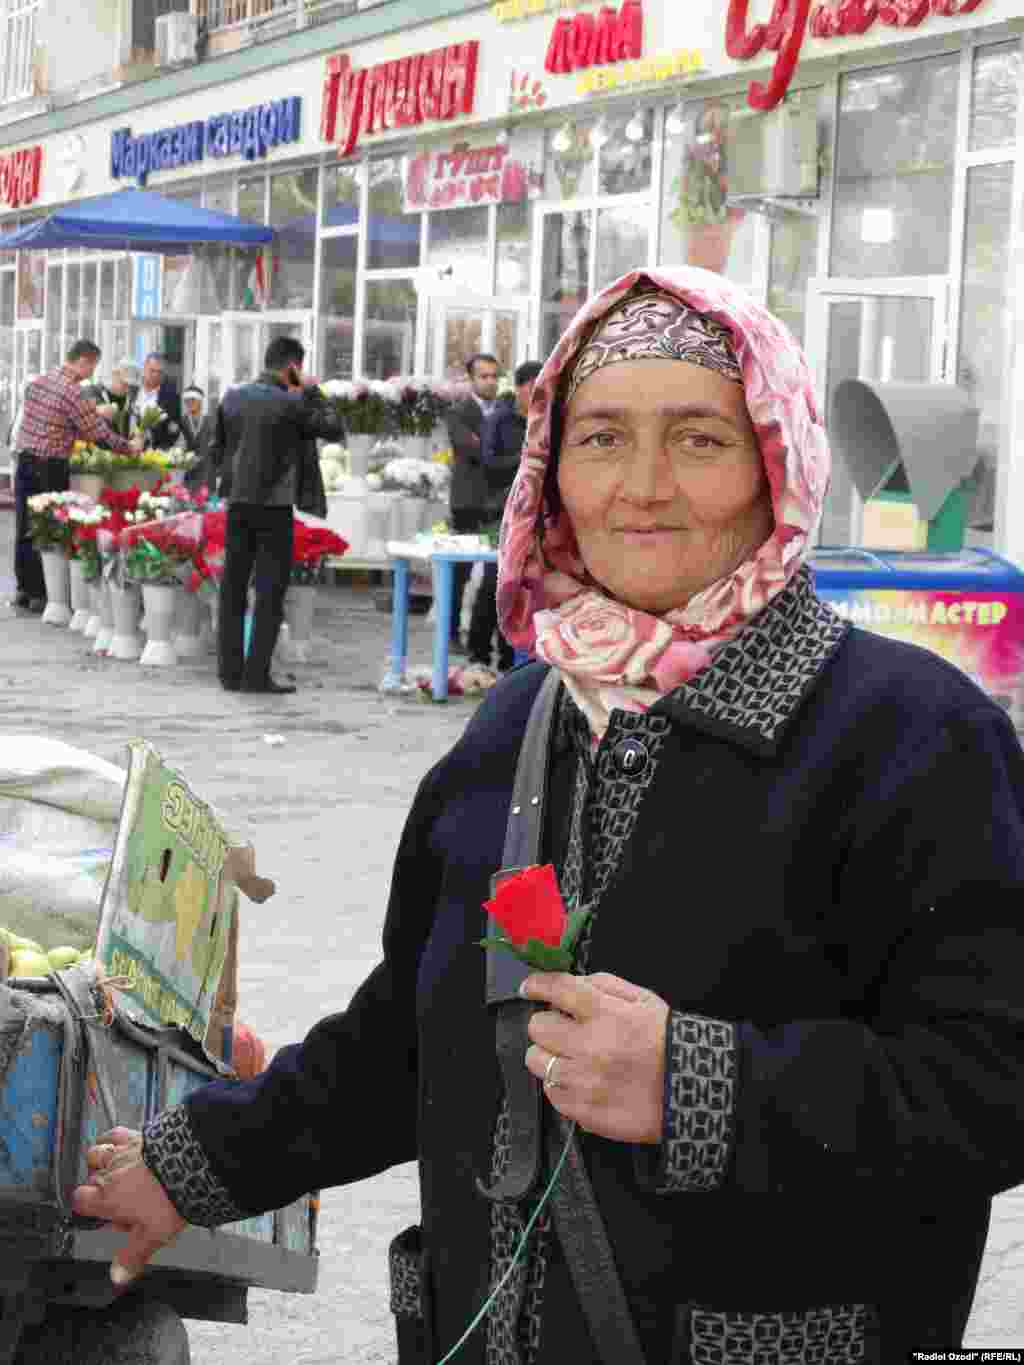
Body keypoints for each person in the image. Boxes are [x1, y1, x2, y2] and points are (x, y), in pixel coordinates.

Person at [73, 269, 1024, 1362]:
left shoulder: (909, 734)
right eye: (603, 439)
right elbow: (410, 1040)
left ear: (776, 462)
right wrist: (190, 1168)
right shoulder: (521, 720)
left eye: (701, 441)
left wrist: (701, 1082)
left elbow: (990, 1083)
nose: (643, 486)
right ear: (551, 471)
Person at [209, 335, 342, 695]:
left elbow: (218, 448)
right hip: (274, 506)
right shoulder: (292, 402)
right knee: (269, 591)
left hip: (238, 502)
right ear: (292, 367)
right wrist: (311, 391)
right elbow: (333, 428)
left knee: (233, 588)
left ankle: (229, 673)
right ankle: (256, 676)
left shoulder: (233, 396)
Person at [13, 339, 138, 611]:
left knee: (24, 526)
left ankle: (24, 588)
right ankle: (42, 594)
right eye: (93, 366)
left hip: (24, 461)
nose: (92, 374)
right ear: (84, 360)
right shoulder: (72, 391)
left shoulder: (41, 381)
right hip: (49, 466)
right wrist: (128, 447)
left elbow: (58, 420)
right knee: (49, 528)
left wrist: (88, 416)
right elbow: (97, 433)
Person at [467, 359, 543, 673]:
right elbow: (488, 463)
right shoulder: (500, 420)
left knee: (528, 585)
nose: (541, 394)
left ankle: (516, 658)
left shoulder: (549, 420)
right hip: (500, 511)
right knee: (496, 581)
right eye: (534, 387)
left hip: (537, 513)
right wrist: (527, 457)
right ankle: (479, 655)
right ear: (521, 388)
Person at [445, 352, 499, 649]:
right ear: (471, 379)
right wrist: (493, 445)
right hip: (467, 501)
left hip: (497, 502)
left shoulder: (504, 409)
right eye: (484, 376)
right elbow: (471, 448)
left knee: (496, 572)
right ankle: (452, 634)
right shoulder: (458, 412)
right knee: (460, 571)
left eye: (494, 376)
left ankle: (485, 636)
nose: (490, 382)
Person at [127, 352, 182, 451]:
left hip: (156, 454)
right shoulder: (130, 391)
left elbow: (174, 429)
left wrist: (160, 449)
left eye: (159, 372)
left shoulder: (172, 397)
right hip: (127, 449)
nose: (156, 375)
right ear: (144, 369)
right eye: (152, 371)